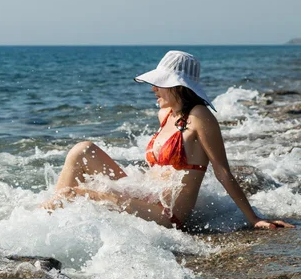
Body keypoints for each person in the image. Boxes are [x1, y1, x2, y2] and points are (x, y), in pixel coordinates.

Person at [43, 50, 294, 230]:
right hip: (144, 194)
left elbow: (222, 170)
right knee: (82, 150)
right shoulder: (165, 114)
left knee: (74, 194)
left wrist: (254, 219)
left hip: (167, 213)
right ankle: (48, 218)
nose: (153, 88)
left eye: (160, 84)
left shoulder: (200, 116)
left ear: (178, 86)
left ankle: (43, 225)